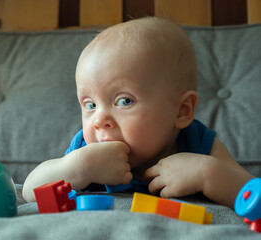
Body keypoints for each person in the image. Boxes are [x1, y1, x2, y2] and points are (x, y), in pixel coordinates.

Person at [22, 17, 253, 209]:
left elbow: (253, 194)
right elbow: (29, 192)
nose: (100, 120)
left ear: (182, 111)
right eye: (90, 105)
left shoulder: (198, 144)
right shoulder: (85, 149)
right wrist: (79, 167)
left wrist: (208, 174)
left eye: (124, 101)